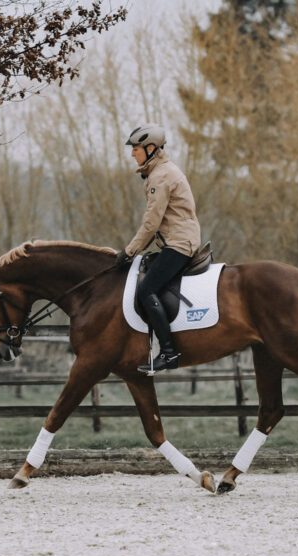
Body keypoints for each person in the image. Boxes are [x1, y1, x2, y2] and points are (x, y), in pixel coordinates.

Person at [114, 123, 202, 374]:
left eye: (136, 149)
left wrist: (129, 251)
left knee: (146, 289)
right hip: (176, 240)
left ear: (151, 148)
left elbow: (151, 223)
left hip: (179, 243)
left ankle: (169, 352)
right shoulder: (160, 171)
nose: (132, 153)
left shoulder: (161, 176)